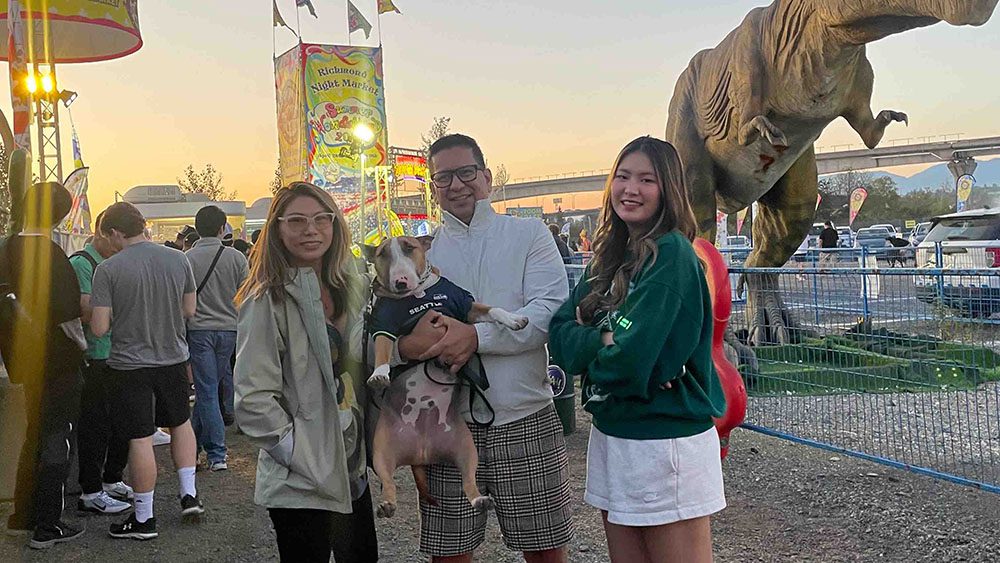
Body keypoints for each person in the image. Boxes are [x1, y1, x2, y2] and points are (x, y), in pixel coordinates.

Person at [395, 134, 573, 562]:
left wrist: (476, 338)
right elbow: (395, 331)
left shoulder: (529, 234)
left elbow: (548, 313)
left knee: (546, 550)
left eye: (466, 173)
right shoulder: (420, 251)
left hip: (526, 416)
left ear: (487, 178)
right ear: (432, 187)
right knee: (449, 554)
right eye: (443, 177)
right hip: (445, 427)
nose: (456, 185)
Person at [549, 136, 727, 563]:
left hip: (664, 436)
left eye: (647, 179)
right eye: (623, 176)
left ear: (668, 189)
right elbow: (558, 333)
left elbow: (631, 363)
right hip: (613, 432)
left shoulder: (672, 256)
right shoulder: (607, 255)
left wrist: (606, 352)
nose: (631, 189)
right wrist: (604, 343)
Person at [234, 182, 376, 562]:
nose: (310, 230)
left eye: (320, 219)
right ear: (277, 229)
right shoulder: (266, 299)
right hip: (301, 477)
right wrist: (297, 452)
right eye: (296, 220)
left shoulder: (354, 288)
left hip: (352, 467)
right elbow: (252, 396)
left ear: (335, 225)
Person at [91, 202, 205, 540]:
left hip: (129, 365)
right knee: (180, 423)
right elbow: (190, 309)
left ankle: (144, 518)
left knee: (140, 437)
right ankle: (189, 494)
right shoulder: (178, 259)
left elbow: (98, 328)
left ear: (114, 232)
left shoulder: (108, 270)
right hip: (173, 358)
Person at [0, 182, 87, 549]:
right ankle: (48, 525)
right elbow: (69, 317)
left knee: (32, 434)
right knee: (57, 438)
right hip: (58, 362)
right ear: (61, 214)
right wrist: (82, 346)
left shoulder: (6, 249)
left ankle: (21, 516)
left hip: (20, 360)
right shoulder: (52, 255)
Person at [70, 210, 133, 515]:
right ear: (105, 233)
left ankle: (112, 479)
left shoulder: (116, 263)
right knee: (95, 426)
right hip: (96, 357)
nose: (122, 245)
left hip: (121, 355)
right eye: (119, 238)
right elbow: (85, 310)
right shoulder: (82, 263)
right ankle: (91, 491)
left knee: (121, 423)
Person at [185, 206, 249, 471]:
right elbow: (246, 296)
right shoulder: (236, 258)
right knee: (209, 389)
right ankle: (197, 447)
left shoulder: (186, 258)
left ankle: (216, 453)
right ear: (223, 228)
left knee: (207, 390)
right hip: (229, 330)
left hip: (198, 330)